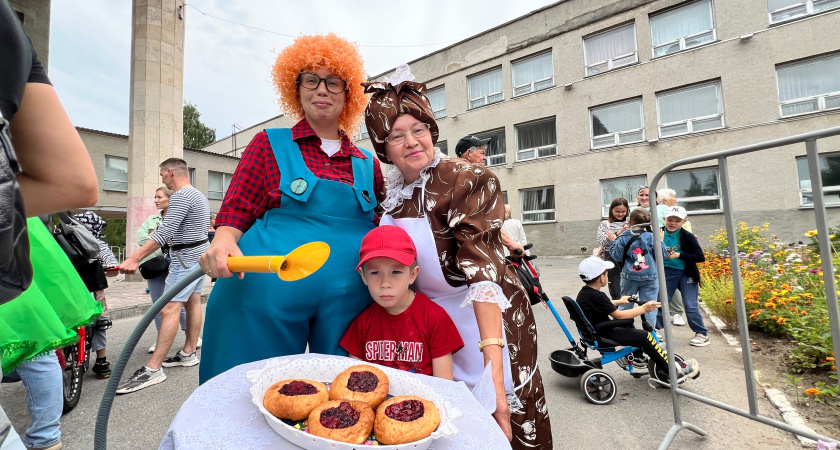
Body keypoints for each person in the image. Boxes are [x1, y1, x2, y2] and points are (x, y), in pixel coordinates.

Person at [363, 75, 552, 448]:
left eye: (418, 129)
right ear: (383, 147)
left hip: (486, 321)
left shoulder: (467, 178)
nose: (411, 141)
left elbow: (483, 274)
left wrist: (493, 375)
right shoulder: (390, 193)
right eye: (397, 135)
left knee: (497, 416)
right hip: (430, 327)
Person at [197, 34, 385, 383]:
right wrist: (223, 240)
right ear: (295, 89)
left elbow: (380, 228)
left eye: (333, 81)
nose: (322, 89)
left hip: (350, 298)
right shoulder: (268, 143)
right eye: (311, 80)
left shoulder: (368, 164)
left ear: (348, 94)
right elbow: (238, 204)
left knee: (347, 393)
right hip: (264, 287)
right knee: (245, 386)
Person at [2, 2, 99, 447]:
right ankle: (46, 437)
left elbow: (76, 187)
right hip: (22, 245)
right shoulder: (9, 30)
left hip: (25, 247)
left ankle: (46, 434)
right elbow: (73, 182)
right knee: (39, 347)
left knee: (39, 350)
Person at [117, 158, 210, 394]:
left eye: (162, 175)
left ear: (170, 172)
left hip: (184, 259)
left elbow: (164, 232)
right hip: (199, 257)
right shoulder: (199, 195)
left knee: (168, 309)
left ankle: (153, 369)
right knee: (193, 303)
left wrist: (134, 258)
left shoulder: (180, 196)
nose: (162, 180)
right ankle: (188, 353)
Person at [340, 226, 463, 379]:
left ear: (412, 274)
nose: (385, 283)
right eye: (375, 272)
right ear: (363, 276)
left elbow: (444, 385)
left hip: (421, 400)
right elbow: (353, 381)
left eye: (396, 272)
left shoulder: (435, 318)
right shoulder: (362, 323)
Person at [575, 256, 699, 382]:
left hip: (595, 331)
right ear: (602, 278)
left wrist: (620, 301)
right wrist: (644, 309)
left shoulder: (585, 293)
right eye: (607, 273)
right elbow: (619, 315)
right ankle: (672, 372)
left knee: (628, 325)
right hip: (604, 334)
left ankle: (638, 357)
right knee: (644, 337)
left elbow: (601, 304)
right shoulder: (598, 296)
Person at [137, 186, 191, 353]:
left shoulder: (179, 217)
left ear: (170, 198)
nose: (156, 200)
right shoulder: (152, 219)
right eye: (155, 197)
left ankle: (190, 335)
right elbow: (141, 239)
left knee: (177, 302)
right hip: (156, 263)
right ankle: (162, 339)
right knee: (158, 302)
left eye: (159, 197)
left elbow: (182, 239)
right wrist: (163, 244)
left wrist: (156, 238)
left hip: (177, 261)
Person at [72, 211, 119, 379]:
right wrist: (110, 267)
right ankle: (101, 361)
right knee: (101, 321)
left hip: (70, 290)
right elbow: (113, 266)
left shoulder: (65, 242)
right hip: (93, 287)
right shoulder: (97, 243)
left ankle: (62, 356)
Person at [609, 208, 667, 328]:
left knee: (625, 303)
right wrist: (661, 241)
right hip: (650, 277)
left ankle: (624, 330)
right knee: (650, 306)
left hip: (629, 277)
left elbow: (617, 257)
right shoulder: (652, 236)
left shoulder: (624, 236)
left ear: (630, 220)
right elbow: (663, 255)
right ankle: (650, 333)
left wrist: (613, 242)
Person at [661, 206, 710, 347]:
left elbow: (700, 256)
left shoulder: (687, 236)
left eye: (677, 220)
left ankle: (702, 333)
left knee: (690, 305)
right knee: (661, 302)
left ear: (684, 221)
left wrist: (679, 255)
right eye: (670, 219)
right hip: (667, 272)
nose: (673, 223)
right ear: (664, 219)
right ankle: (656, 331)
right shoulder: (658, 233)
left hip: (686, 273)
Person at [596, 198, 630, 300]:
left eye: (623, 211)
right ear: (611, 210)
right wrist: (618, 233)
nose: (620, 214)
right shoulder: (605, 224)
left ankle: (628, 308)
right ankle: (617, 309)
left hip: (628, 255)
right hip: (611, 255)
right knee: (614, 284)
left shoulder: (631, 224)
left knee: (630, 282)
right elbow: (603, 242)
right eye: (617, 211)